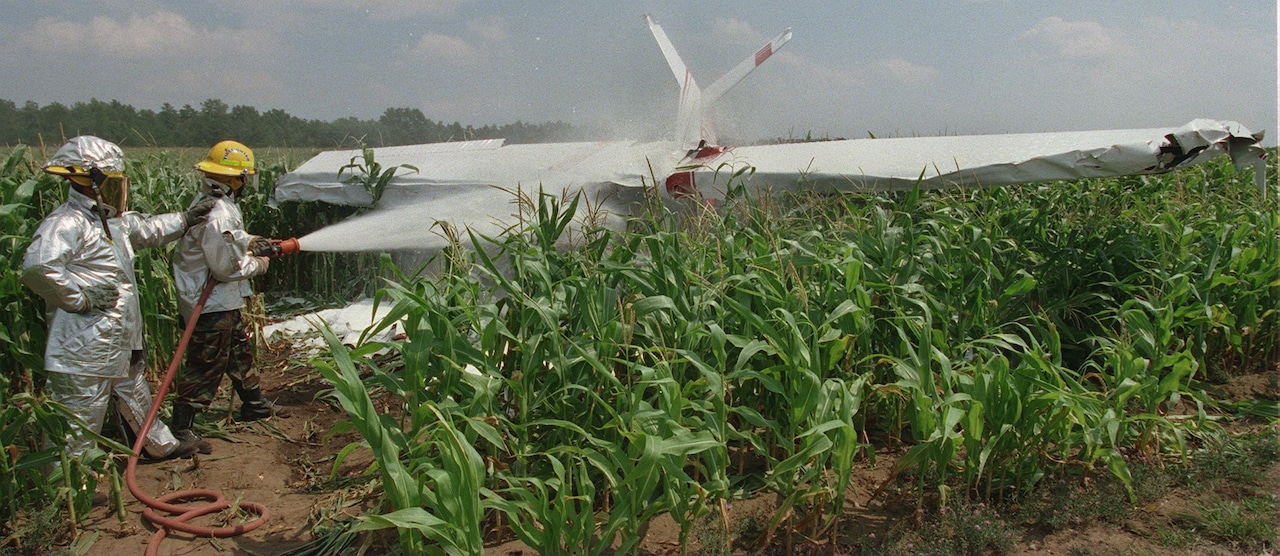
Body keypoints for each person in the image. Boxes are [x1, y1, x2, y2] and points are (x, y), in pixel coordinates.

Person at [22, 135, 216, 463]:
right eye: (113, 182)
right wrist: (80, 297)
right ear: (91, 183)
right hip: (84, 347)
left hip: (116, 338)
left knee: (134, 392)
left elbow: (147, 229)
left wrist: (185, 219)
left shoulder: (111, 220)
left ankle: (160, 446)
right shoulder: (67, 222)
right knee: (79, 414)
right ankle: (72, 479)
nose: (118, 188)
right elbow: (38, 267)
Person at [170, 140, 289, 454]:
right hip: (209, 303)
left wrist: (253, 242)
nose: (247, 182)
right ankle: (182, 427)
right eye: (244, 177)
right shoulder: (219, 213)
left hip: (222, 300)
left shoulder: (214, 202)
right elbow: (225, 267)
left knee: (238, 351)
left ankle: (254, 404)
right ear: (236, 179)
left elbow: (230, 243)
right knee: (206, 363)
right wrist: (259, 264)